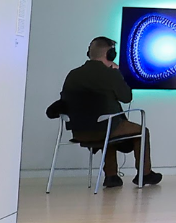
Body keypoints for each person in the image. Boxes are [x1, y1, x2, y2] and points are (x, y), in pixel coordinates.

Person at [59, 36, 163, 187]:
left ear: (89, 53)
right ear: (110, 54)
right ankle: (145, 174)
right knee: (141, 131)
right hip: (102, 130)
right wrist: (117, 74)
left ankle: (111, 176)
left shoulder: (72, 74)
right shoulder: (111, 74)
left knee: (107, 125)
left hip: (79, 131)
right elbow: (126, 97)